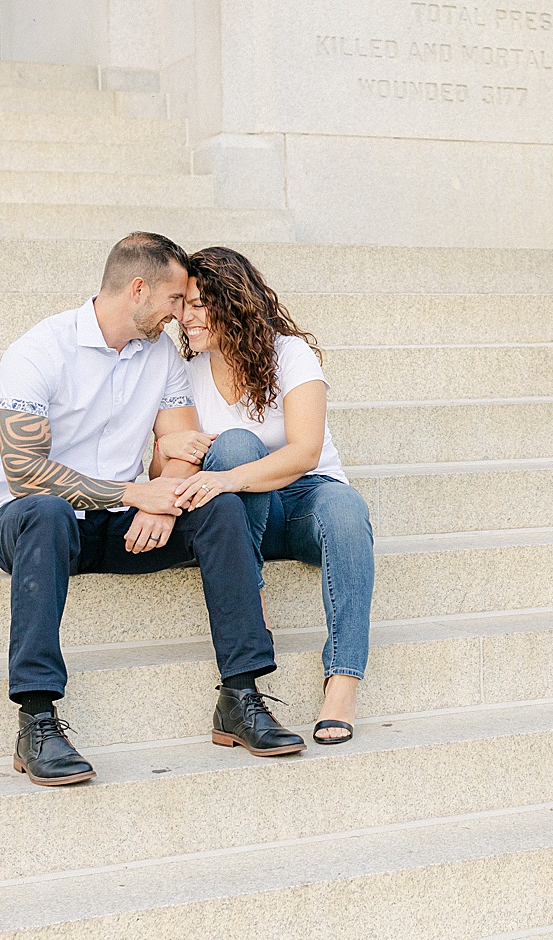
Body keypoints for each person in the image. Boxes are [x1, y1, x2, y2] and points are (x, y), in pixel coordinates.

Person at [0, 232, 304, 787]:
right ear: (138, 289)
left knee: (218, 504)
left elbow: (183, 446)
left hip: (118, 527)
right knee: (48, 512)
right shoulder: (38, 350)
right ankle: (36, 719)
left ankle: (240, 696)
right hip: (32, 527)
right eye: (176, 300)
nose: (182, 315)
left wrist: (166, 500)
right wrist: (136, 495)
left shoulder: (161, 359)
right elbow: (25, 473)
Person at [153, 246, 376, 745]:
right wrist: (167, 446)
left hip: (304, 502)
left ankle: (342, 681)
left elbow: (305, 451)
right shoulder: (186, 375)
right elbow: (163, 467)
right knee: (232, 445)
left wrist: (229, 478)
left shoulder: (290, 355)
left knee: (346, 508)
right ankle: (253, 606)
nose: (184, 317)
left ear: (233, 302)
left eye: (197, 304)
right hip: (241, 521)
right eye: (182, 305)